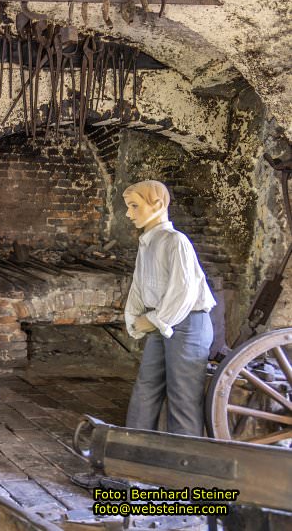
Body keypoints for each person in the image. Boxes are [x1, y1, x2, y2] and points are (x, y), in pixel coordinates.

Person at [123, 180, 216, 436]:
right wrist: (135, 316)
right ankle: (134, 445)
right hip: (162, 321)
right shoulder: (147, 242)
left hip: (188, 324)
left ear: (157, 204)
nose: (128, 214)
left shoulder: (176, 241)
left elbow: (182, 291)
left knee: (183, 396)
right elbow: (138, 286)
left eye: (134, 206)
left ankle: (183, 454)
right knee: (146, 386)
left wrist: (153, 320)